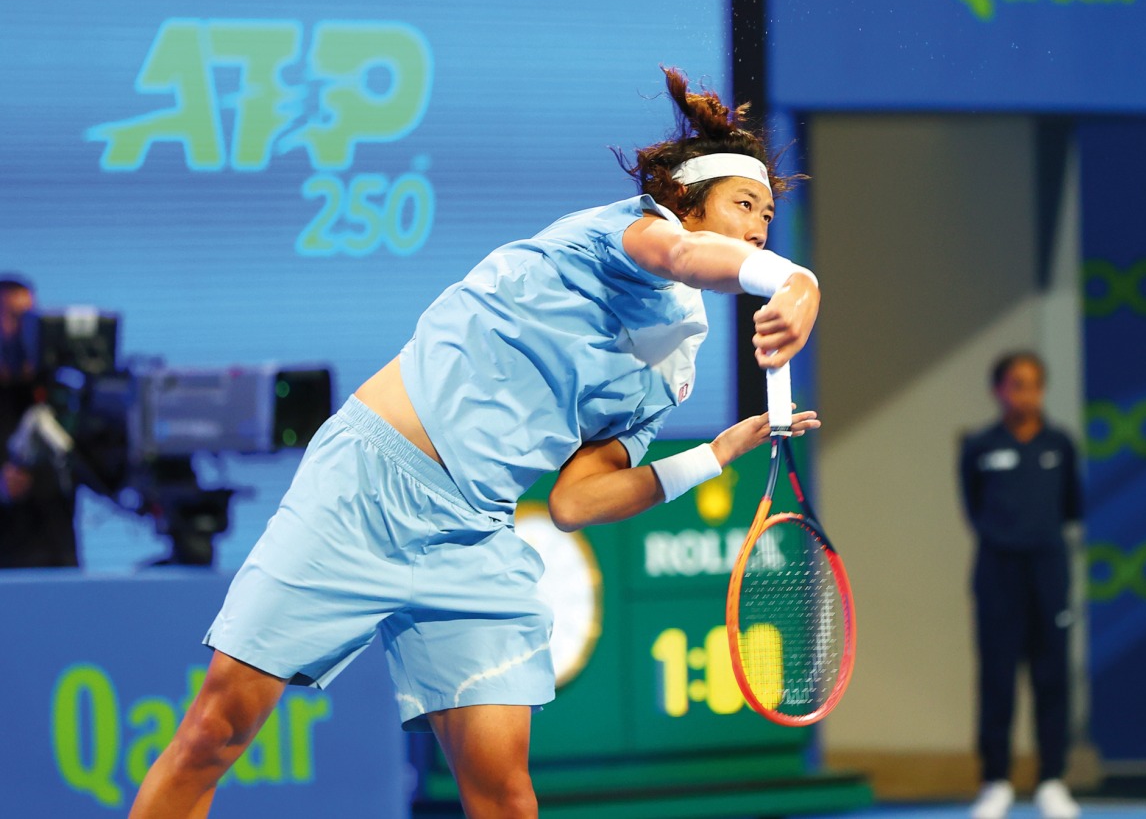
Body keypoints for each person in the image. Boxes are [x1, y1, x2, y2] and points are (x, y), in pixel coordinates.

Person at [128, 68, 822, 819]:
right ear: (685, 201)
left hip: (474, 536)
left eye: (769, 217)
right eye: (744, 205)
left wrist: (713, 455)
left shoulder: (676, 361)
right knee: (216, 732)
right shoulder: (624, 233)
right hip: (365, 490)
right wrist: (796, 280)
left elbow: (576, 501)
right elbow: (688, 260)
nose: (759, 227)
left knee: (504, 795)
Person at [961, 352, 1084, 819]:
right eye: (1015, 384)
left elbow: (1072, 506)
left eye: (1033, 384)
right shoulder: (979, 446)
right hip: (997, 574)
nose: (1025, 393)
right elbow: (972, 507)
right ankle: (996, 782)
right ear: (999, 390)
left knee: (1052, 678)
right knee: (996, 680)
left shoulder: (1061, 445)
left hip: (1049, 572)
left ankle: (1052, 780)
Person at [0, 275, 79, 568]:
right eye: (13, 317)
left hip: (60, 560)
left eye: (30, 318)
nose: (23, 329)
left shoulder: (58, 395)